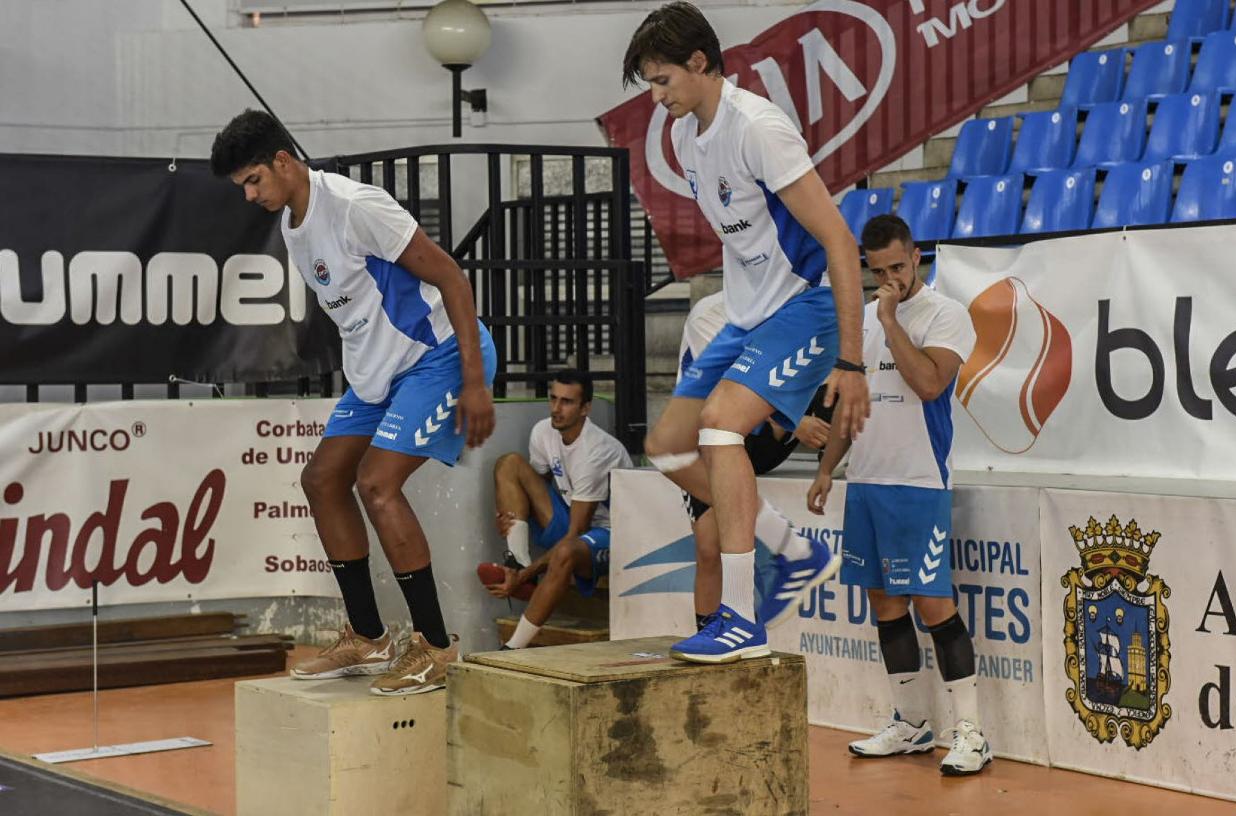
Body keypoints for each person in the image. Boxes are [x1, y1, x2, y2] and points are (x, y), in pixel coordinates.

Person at [211, 109, 497, 696]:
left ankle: (437, 649)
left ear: (283, 161)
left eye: (253, 180)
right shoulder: (293, 222)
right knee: (321, 481)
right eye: (241, 186)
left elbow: (452, 279)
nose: (247, 195)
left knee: (378, 485)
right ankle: (367, 638)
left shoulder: (357, 207)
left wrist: (473, 379)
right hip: (377, 375)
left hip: (434, 359)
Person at [623, 1, 870, 663]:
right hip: (749, 312)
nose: (656, 95)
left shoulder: (759, 127)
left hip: (806, 305)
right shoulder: (682, 135)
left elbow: (842, 245)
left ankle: (742, 619)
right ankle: (792, 548)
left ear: (700, 63)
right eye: (649, 82)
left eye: (663, 79)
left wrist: (851, 361)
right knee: (670, 447)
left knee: (721, 426)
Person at [806, 214, 988, 775]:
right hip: (867, 481)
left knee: (934, 607)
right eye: (878, 269)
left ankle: (973, 735)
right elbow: (849, 403)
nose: (890, 277)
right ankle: (910, 725)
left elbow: (930, 383)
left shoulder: (946, 315)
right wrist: (827, 467)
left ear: (916, 257)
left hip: (917, 483)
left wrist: (889, 320)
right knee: (885, 605)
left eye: (898, 267)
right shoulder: (859, 319)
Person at [678, 292, 835, 631]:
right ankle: (714, 631)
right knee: (708, 547)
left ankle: (790, 558)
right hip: (702, 434)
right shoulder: (710, 313)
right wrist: (795, 420)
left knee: (720, 539)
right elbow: (728, 388)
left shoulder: (792, 310)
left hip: (740, 432)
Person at [481, 370, 632, 649]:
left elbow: (577, 531)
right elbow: (538, 484)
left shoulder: (597, 451)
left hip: (611, 534)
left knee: (565, 552)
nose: (556, 409)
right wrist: (510, 516)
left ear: (586, 408)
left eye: (567, 402)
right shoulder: (542, 431)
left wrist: (529, 576)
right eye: (553, 399)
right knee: (509, 463)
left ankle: (513, 648)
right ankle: (518, 562)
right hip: (568, 515)